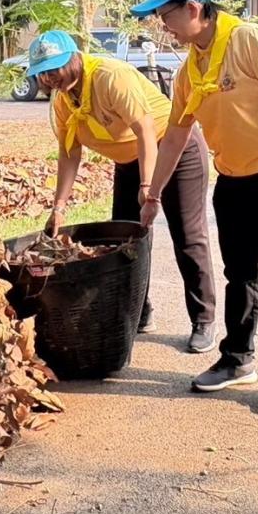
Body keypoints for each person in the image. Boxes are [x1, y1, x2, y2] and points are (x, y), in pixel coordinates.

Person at [133, 0, 258, 414]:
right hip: (234, 178)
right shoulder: (190, 69)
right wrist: (153, 194)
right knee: (241, 275)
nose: (162, 24)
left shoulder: (249, 41)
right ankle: (237, 358)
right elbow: (175, 137)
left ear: (193, 8)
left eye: (165, 14)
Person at [31, 30, 217, 351]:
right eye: (43, 73)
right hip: (129, 159)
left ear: (74, 58)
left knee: (187, 234)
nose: (50, 78)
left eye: (55, 68)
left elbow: (145, 129)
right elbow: (69, 153)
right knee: (127, 238)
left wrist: (148, 188)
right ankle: (139, 310)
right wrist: (58, 207)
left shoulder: (110, 77)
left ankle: (204, 318)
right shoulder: (63, 101)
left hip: (174, 148)